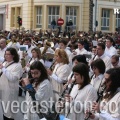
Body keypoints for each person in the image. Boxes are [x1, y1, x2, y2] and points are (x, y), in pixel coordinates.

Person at [0, 47, 23, 120]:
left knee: (9, 112)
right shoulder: (5, 62)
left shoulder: (17, 65)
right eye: (5, 54)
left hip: (10, 91)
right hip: (3, 89)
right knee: (4, 110)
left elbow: (12, 78)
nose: (6, 56)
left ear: (13, 55)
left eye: (8, 54)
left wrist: (3, 68)